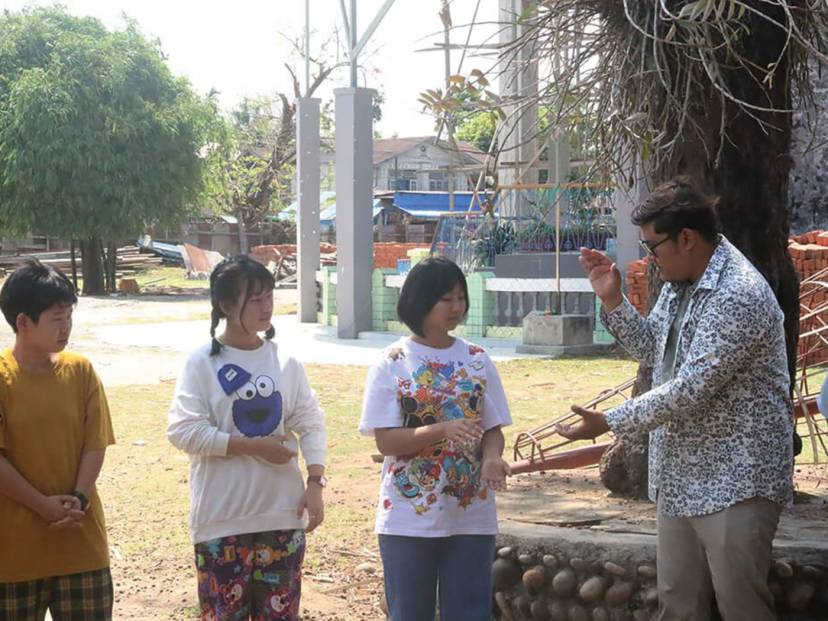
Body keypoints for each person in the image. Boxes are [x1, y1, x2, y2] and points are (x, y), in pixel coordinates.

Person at [557, 178, 794, 621]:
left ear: (687, 238)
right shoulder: (681, 281)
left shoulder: (737, 293)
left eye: (653, 246)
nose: (649, 258)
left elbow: (690, 388)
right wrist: (613, 300)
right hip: (682, 477)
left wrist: (610, 421)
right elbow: (654, 350)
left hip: (736, 481)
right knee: (678, 607)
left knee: (743, 609)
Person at [167, 255, 327, 621]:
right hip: (222, 520)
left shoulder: (286, 362)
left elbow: (311, 421)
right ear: (225, 305)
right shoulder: (201, 364)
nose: (266, 307)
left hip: (283, 517)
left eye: (269, 296)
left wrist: (316, 480)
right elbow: (183, 431)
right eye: (254, 299)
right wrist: (256, 447)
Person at [359, 256, 513, 621]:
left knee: (470, 613)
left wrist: (492, 458)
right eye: (447, 298)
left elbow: (492, 428)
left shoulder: (477, 359)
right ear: (420, 301)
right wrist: (441, 430)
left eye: (461, 297)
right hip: (407, 517)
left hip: (471, 515)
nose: (457, 307)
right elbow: (386, 442)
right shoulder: (391, 362)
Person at [0, 259, 116, 620]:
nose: (66, 327)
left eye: (69, 316)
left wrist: (78, 498)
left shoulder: (80, 371)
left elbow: (94, 443)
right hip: (13, 554)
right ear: (23, 322)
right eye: (56, 318)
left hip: (80, 544)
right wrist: (40, 504)